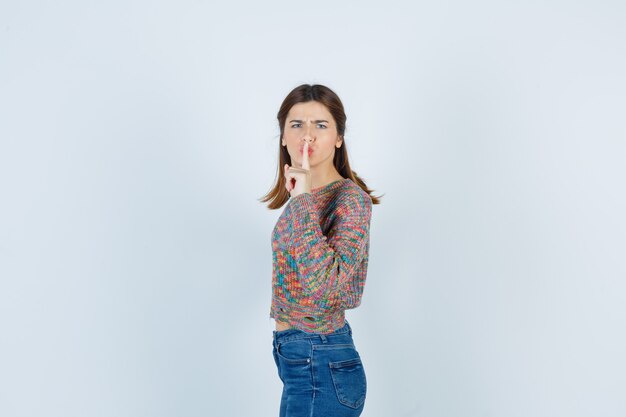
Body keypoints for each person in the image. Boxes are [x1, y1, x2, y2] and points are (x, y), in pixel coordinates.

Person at [260, 84, 382, 417]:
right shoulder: (302, 198)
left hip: (322, 358)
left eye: (321, 125)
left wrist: (301, 201)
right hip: (298, 361)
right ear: (283, 136)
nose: (308, 136)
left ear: (339, 137)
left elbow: (327, 285)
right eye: (296, 124)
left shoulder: (349, 200)